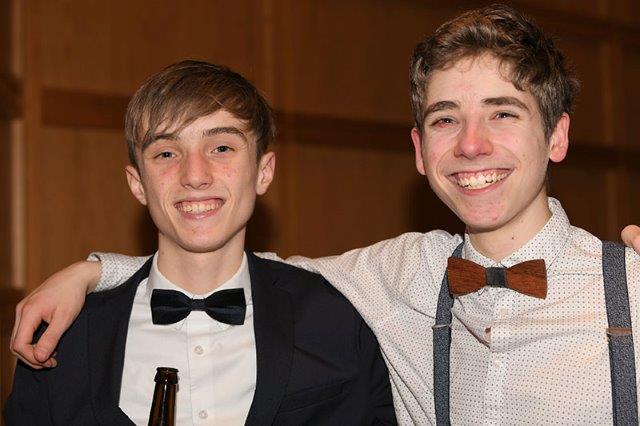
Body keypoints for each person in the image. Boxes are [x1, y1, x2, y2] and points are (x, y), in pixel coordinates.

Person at [9, 4, 640, 424]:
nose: (471, 145)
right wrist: (92, 272)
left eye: (502, 113)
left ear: (557, 136)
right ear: (419, 150)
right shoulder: (401, 274)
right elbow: (232, 262)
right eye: (446, 119)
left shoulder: (634, 286)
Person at [4, 60, 396, 425]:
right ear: (137, 184)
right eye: (166, 153)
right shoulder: (62, 336)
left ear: (263, 172)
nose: (194, 175)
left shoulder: (340, 319)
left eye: (221, 148)